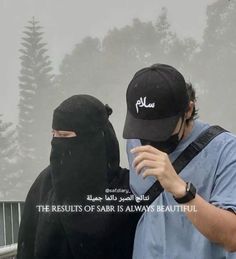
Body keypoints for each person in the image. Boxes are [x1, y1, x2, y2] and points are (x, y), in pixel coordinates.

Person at [123, 64, 236, 258]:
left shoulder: (226, 150)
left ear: (188, 110)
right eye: (143, 129)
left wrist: (181, 190)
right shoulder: (134, 140)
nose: (151, 139)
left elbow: (232, 237)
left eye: (161, 129)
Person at [17, 94, 140, 259]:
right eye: (54, 135)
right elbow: (27, 246)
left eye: (65, 136)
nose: (57, 143)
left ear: (93, 140)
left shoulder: (128, 189)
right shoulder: (46, 183)